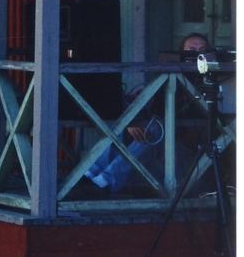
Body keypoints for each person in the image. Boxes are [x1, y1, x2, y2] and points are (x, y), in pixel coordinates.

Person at [78, 33, 213, 198]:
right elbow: (148, 105)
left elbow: (197, 133)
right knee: (124, 126)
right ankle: (88, 175)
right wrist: (131, 122)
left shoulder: (213, 81)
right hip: (158, 150)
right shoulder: (170, 76)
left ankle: (105, 182)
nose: (197, 55)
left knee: (155, 130)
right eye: (191, 50)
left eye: (202, 50)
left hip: (186, 160)